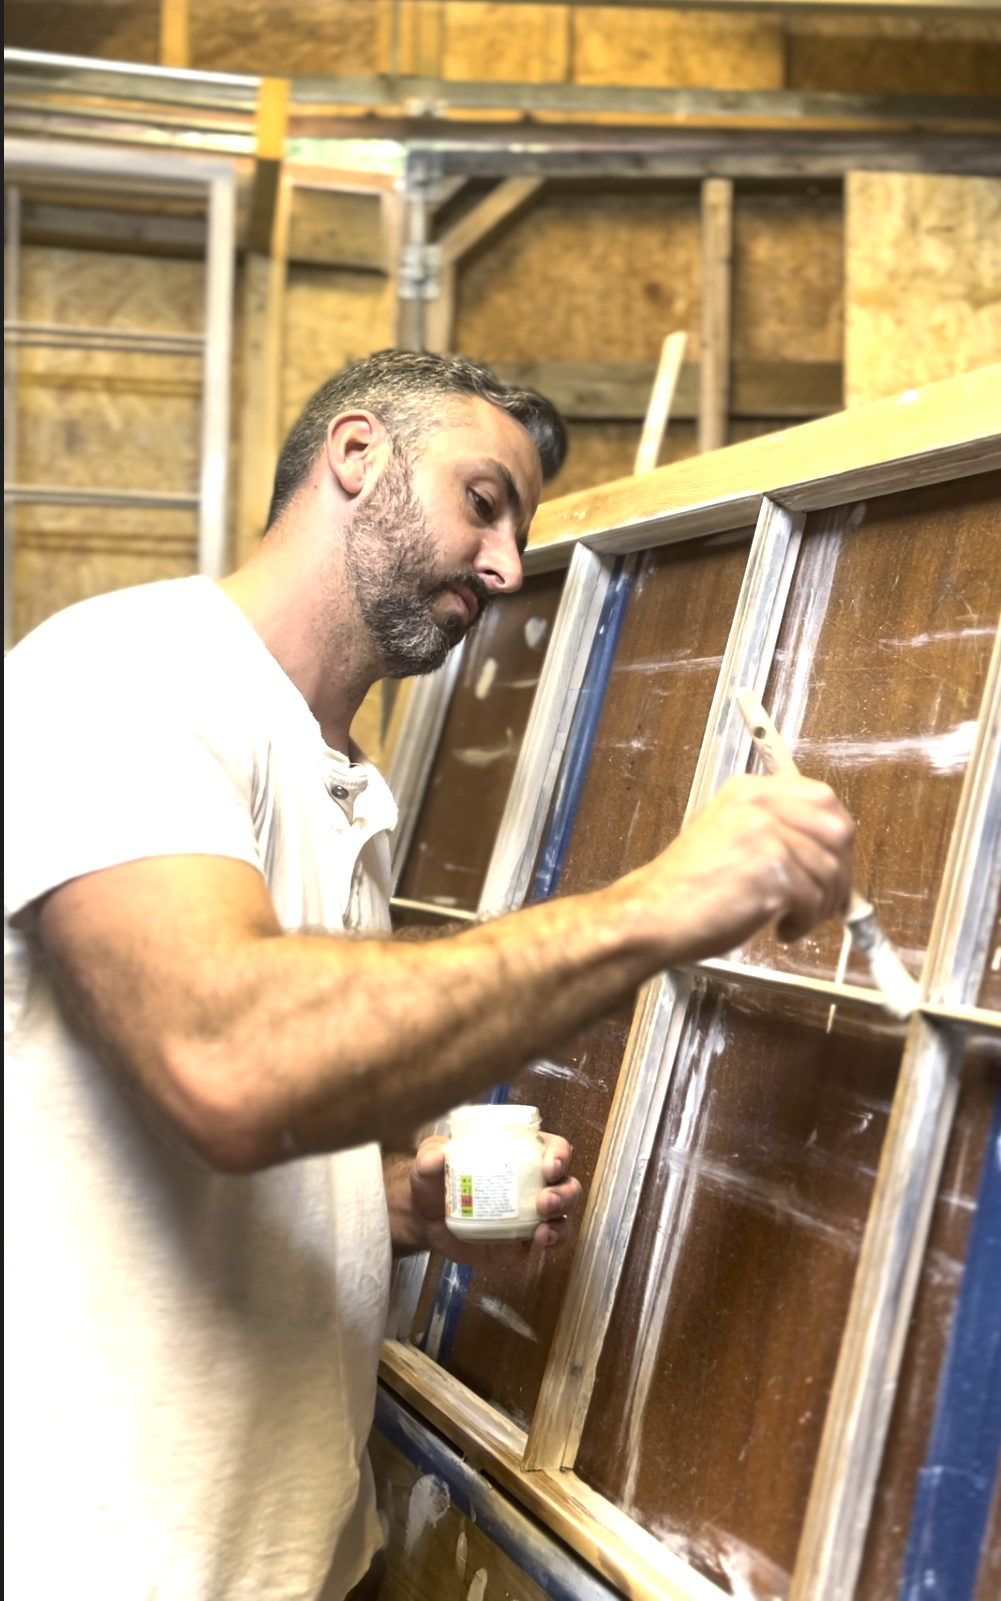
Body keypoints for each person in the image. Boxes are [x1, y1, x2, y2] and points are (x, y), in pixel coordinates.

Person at [4, 350, 854, 1600]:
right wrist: (657, 906)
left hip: (294, 1556)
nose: (507, 566)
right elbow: (226, 1056)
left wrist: (387, 1207)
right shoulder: (125, 678)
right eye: (482, 499)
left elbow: (167, 1123)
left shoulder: (345, 778)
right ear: (356, 454)